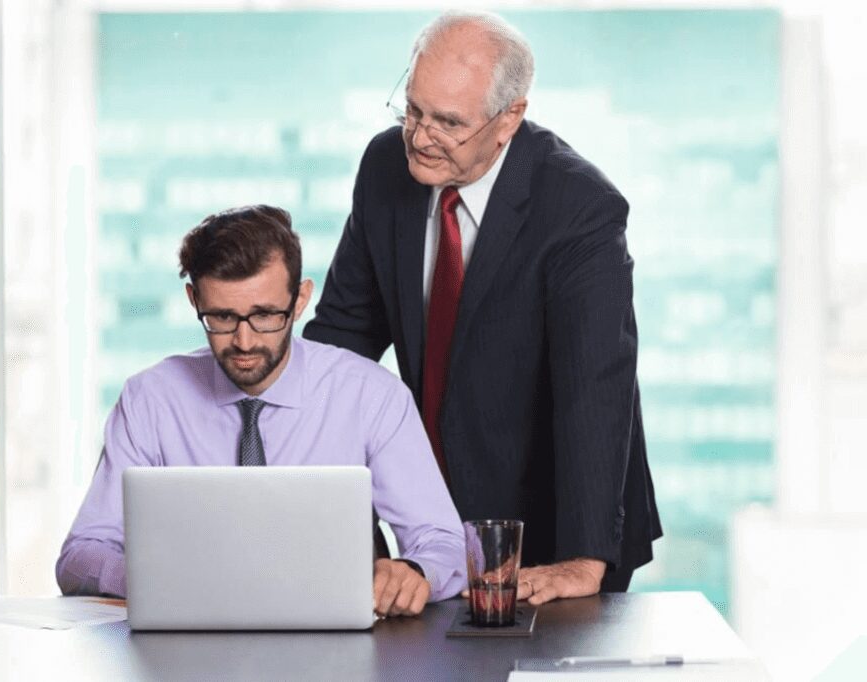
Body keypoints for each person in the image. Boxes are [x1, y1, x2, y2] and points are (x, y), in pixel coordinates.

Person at [303, 11, 661, 605]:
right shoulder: (385, 168)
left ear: (509, 119)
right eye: (413, 110)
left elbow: (595, 385)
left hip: (555, 517)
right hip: (434, 513)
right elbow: (343, 337)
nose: (420, 136)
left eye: (447, 123)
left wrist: (584, 557)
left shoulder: (578, 206)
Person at [56, 205, 466, 617]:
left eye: (266, 315)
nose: (245, 341)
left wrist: (414, 570)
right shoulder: (150, 400)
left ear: (301, 299)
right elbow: (81, 554)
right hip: (186, 647)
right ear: (193, 299)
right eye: (221, 317)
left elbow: (442, 543)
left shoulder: (371, 396)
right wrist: (155, 579)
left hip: (337, 646)